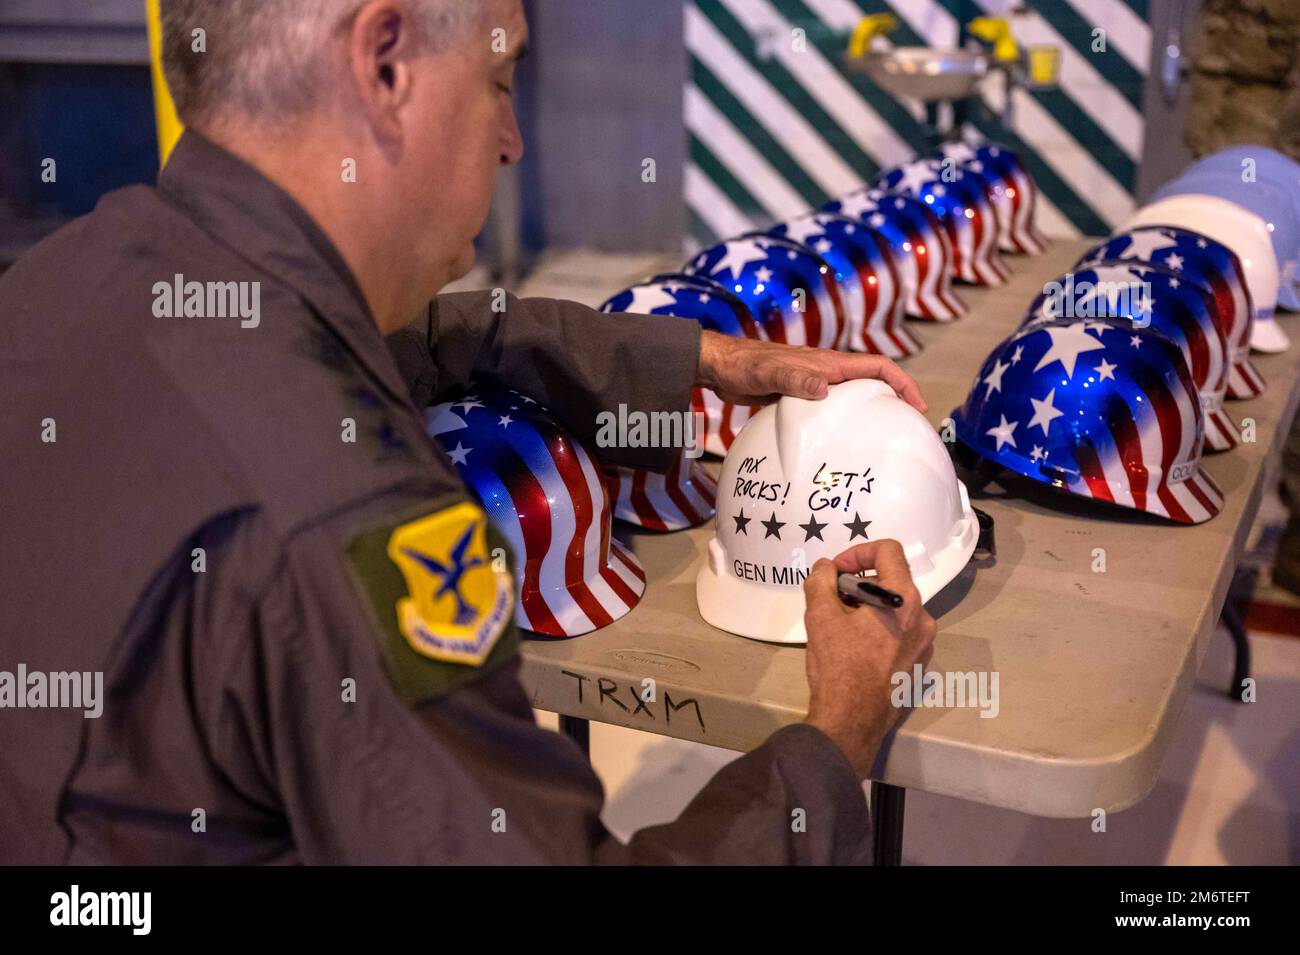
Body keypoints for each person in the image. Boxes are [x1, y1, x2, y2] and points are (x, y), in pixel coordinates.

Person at [0, 0, 936, 864]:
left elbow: (422, 337)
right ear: (386, 62)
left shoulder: (66, 281)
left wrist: (707, 361)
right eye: (498, 82)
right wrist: (833, 737)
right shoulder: (347, 514)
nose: (515, 141)